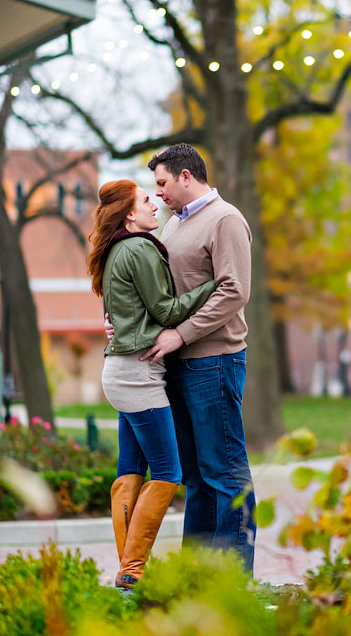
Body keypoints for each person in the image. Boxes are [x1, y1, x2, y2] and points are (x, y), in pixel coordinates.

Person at [88, 179, 216, 589]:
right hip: (138, 375)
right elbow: (164, 310)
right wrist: (212, 286)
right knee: (167, 471)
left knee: (131, 469)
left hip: (122, 372)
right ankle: (133, 570)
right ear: (128, 213)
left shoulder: (117, 249)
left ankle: (128, 571)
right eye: (146, 199)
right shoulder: (140, 247)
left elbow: (125, 312)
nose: (154, 203)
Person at [140, 143, 256, 573]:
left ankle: (233, 581)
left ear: (186, 176)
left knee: (224, 473)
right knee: (196, 479)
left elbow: (234, 290)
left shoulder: (225, 219)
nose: (159, 193)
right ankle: (198, 578)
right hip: (178, 364)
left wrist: (181, 335)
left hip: (215, 361)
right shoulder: (172, 226)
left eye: (163, 183)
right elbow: (166, 294)